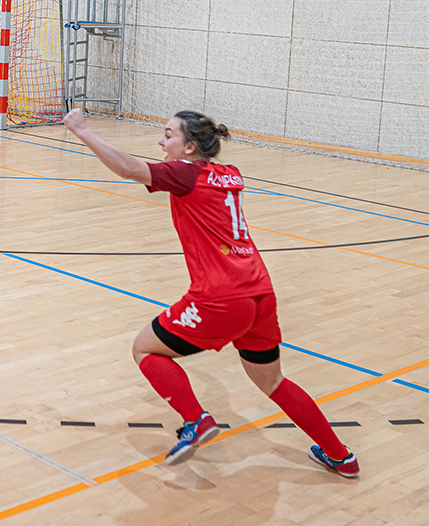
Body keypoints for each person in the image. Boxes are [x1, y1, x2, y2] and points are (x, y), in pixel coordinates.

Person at [62, 108, 359, 477]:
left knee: (144, 349)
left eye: (168, 135)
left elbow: (128, 169)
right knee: (273, 381)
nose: (160, 141)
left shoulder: (185, 174)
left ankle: (196, 421)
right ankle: (341, 456)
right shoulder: (229, 174)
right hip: (260, 294)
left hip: (221, 298)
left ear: (188, 147)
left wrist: (82, 131)